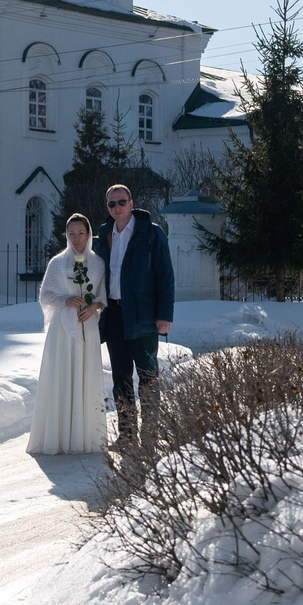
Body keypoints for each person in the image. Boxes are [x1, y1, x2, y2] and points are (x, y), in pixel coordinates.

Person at [98, 183, 175, 440]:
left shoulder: (151, 233)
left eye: (122, 202)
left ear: (131, 204)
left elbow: (165, 276)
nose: (117, 207)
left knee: (148, 376)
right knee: (120, 378)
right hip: (114, 315)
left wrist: (165, 314)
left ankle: (150, 436)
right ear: (107, 207)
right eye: (112, 203)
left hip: (144, 315)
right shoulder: (104, 234)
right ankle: (127, 435)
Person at [30, 213, 107, 454]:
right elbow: (45, 296)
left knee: (86, 377)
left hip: (88, 329)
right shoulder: (57, 263)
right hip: (62, 332)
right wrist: (66, 299)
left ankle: (84, 436)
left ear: (89, 234)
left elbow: (103, 296)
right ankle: (59, 436)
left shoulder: (98, 263)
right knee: (61, 376)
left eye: (81, 233)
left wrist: (94, 307)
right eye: (71, 234)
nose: (76, 238)